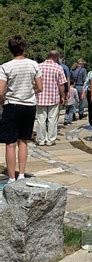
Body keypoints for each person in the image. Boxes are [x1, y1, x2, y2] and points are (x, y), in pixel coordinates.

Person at [0, 35, 43, 182]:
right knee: (23, 140)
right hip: (29, 105)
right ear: (23, 48)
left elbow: (0, 91)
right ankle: (22, 174)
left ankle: (12, 177)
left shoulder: (6, 66)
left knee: (10, 143)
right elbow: (40, 87)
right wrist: (31, 91)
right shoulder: (34, 64)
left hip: (12, 105)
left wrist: (2, 101)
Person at [35, 50, 66, 146]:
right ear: (56, 57)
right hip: (53, 97)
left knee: (41, 119)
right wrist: (63, 96)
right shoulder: (58, 68)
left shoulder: (38, 66)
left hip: (40, 97)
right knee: (52, 119)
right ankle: (50, 140)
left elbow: (34, 82)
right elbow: (61, 85)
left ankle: (41, 139)